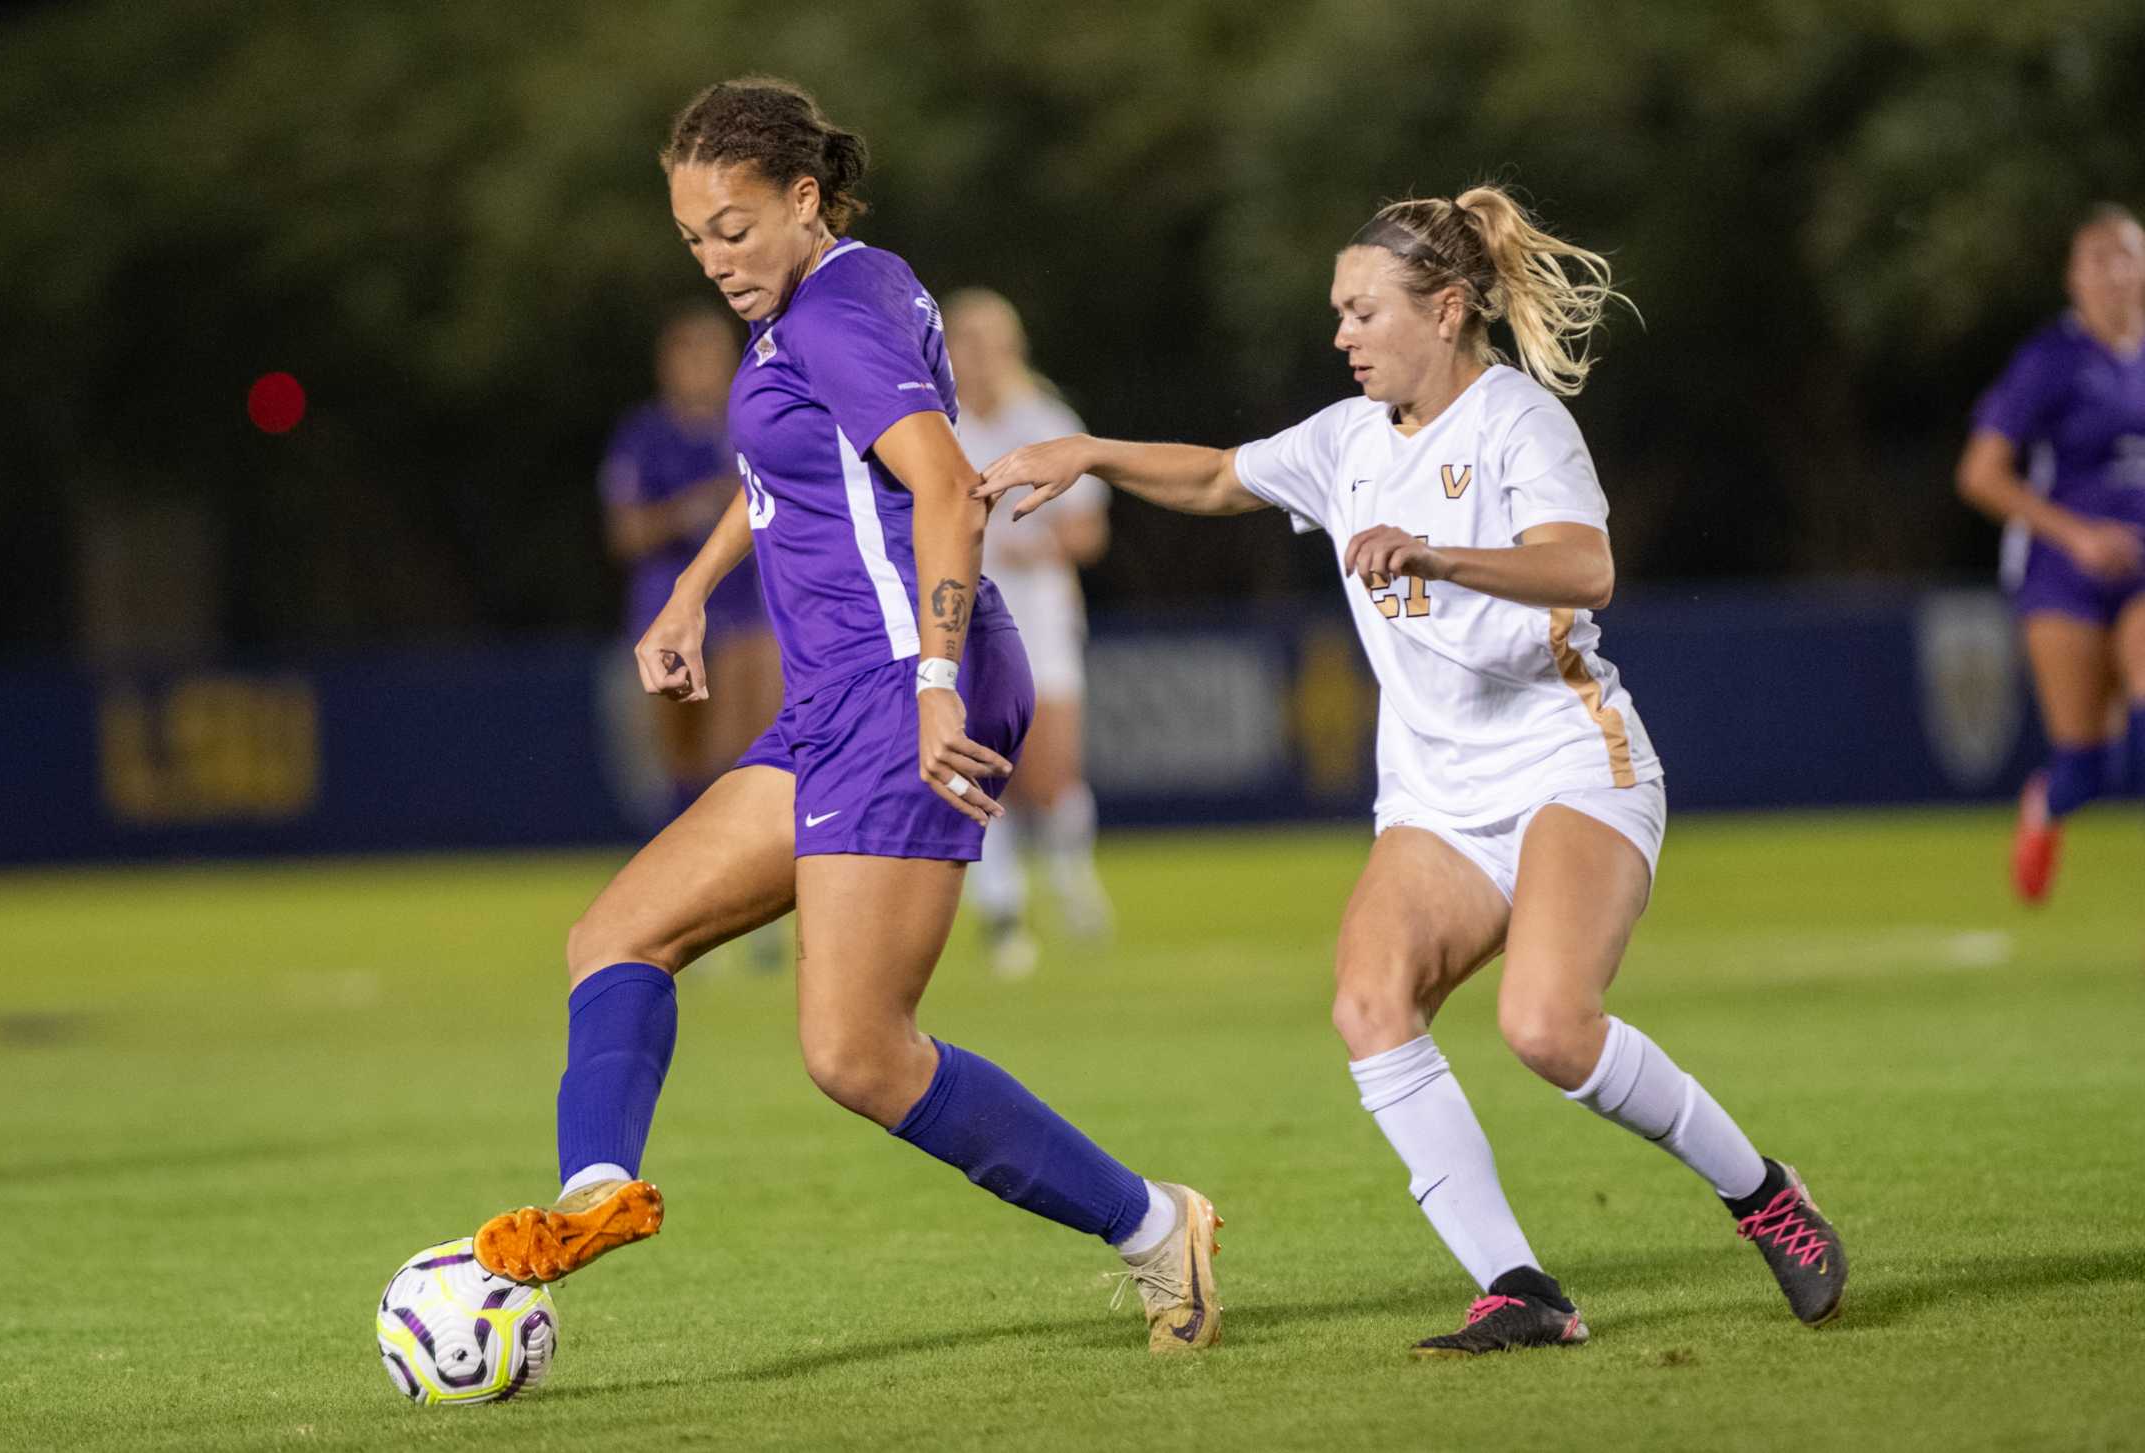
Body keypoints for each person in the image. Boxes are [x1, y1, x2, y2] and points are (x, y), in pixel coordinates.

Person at [979, 185, 1848, 1355]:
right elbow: (1217, 475)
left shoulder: (1514, 423)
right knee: (1368, 1004)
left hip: (1565, 763)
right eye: (1337, 313)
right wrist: (1087, 451)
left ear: (1443, 311)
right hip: (1436, 798)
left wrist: (1437, 551)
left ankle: (1764, 1197)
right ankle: (1518, 1286)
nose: (1340, 335)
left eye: (1361, 311)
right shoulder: (1343, 442)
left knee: (1547, 1027)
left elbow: (1582, 568)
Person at [471, 77, 1222, 1356]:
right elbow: (787, 468)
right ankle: (596, 1196)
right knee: (617, 936)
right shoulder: (834, 296)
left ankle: (1157, 1227)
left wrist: (932, 681)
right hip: (839, 694)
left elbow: (940, 483)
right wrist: (698, 593)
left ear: (802, 198)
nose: (715, 260)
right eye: (694, 238)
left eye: (736, 227)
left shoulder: (833, 317)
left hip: (897, 687)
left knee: (859, 1054)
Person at [1956, 203, 2145, 902]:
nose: (2115, 272)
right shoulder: (2050, 362)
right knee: (2086, 770)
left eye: (2127, 254)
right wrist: (2080, 536)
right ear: (2074, 278)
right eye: (2098, 259)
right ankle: (2045, 807)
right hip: (2063, 575)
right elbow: (1980, 474)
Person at [944, 289, 1114, 977]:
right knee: (979, 763)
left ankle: (1072, 875)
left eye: (987, 341)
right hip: (962, 618)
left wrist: (1023, 543)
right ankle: (1001, 907)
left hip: (1039, 613)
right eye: (963, 340)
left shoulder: (1044, 420)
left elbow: (1088, 531)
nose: (975, 355)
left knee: (1051, 772)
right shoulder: (939, 426)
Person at [599, 307, 781, 808]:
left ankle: (752, 859)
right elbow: (626, 534)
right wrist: (692, 510)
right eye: (689, 354)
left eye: (711, 354)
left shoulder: (753, 423)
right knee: (684, 759)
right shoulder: (645, 435)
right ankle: (693, 857)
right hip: (670, 604)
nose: (701, 366)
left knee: (747, 749)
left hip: (751, 603)